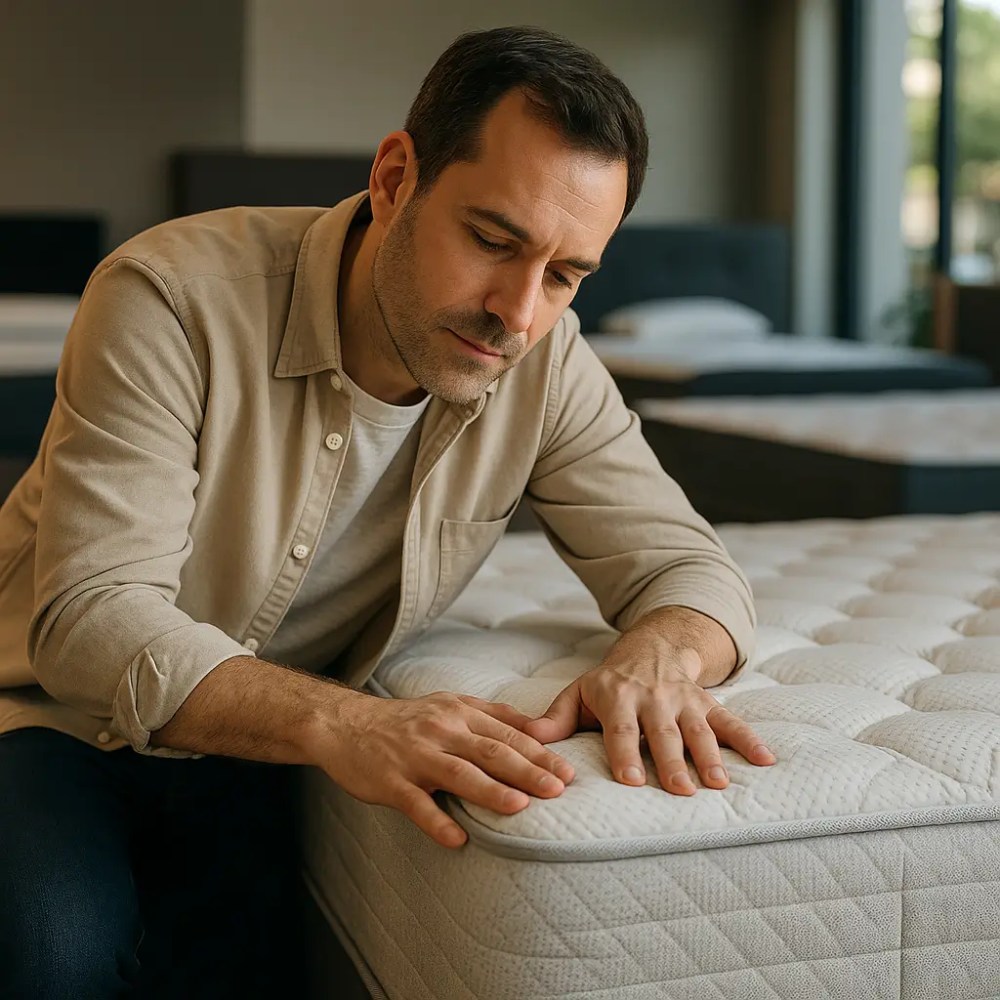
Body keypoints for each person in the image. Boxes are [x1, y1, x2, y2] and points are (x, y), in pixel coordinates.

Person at [0, 24, 775, 998]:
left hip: (251, 751)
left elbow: (688, 567)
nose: (519, 312)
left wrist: (657, 655)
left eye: (566, 273)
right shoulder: (171, 296)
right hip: (53, 716)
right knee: (51, 950)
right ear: (396, 176)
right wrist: (345, 724)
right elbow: (90, 620)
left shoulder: (545, 356)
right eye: (493, 240)